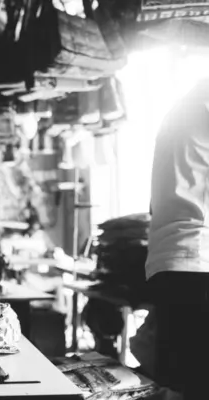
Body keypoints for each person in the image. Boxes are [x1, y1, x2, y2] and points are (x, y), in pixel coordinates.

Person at [145, 79, 209, 399]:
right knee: (194, 384)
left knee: (178, 383)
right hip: (195, 260)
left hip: (172, 257)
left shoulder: (185, 107)